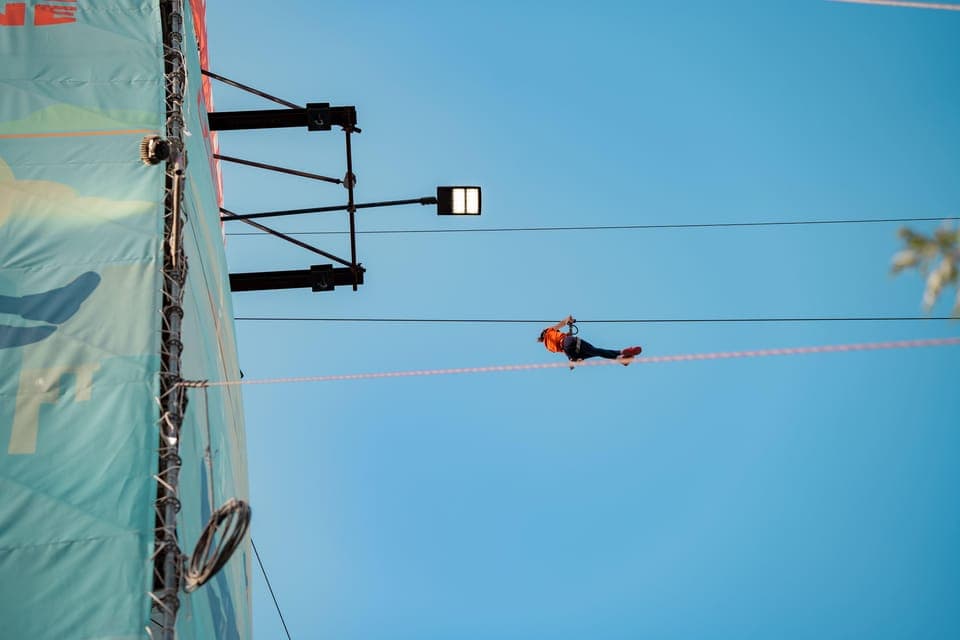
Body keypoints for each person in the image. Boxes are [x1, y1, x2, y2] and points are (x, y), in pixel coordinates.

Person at [537, 315, 642, 366]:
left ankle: (620, 358)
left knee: (595, 353)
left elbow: (563, 345)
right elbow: (566, 320)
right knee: (597, 351)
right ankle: (620, 353)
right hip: (569, 342)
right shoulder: (550, 331)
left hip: (569, 351)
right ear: (546, 331)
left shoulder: (548, 347)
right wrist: (570, 320)